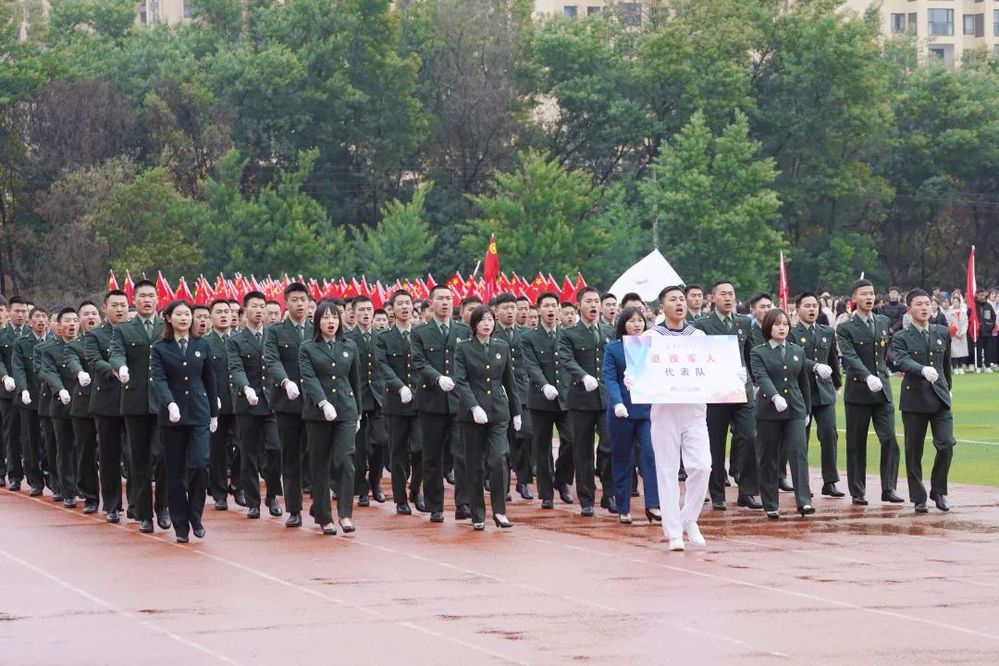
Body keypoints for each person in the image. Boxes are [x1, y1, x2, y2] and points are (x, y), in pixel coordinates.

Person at [635, 287, 711, 550]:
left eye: (681, 299)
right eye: (673, 300)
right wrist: (634, 378)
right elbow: (639, 370)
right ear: (662, 307)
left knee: (702, 466)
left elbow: (711, 368)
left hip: (694, 410)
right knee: (667, 471)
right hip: (665, 411)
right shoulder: (650, 337)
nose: (679, 303)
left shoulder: (698, 336)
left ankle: (689, 518)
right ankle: (674, 532)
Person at [150, 300, 219, 543]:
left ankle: (195, 515)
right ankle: (180, 525)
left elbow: (210, 379)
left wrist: (213, 413)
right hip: (173, 416)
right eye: (179, 314)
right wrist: (169, 403)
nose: (184, 318)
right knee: (175, 472)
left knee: (200, 463)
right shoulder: (160, 347)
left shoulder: (203, 344)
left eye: (187, 314)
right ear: (169, 318)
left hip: (199, 412)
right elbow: (159, 379)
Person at [692, 281, 762, 511]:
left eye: (731, 294)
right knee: (716, 443)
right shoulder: (702, 325)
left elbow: (751, 352)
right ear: (713, 298)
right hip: (715, 391)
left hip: (741, 389)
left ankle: (747, 491)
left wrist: (752, 377)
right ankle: (717, 494)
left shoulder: (744, 322)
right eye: (723, 294)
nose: (728, 298)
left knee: (749, 437)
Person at [110, 279, 170, 532]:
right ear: (134, 300)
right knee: (139, 459)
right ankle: (145, 514)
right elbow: (116, 353)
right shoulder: (124, 329)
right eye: (142, 296)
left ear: (158, 300)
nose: (147, 300)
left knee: (163, 455)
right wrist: (120, 367)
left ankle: (163, 506)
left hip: (164, 401)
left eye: (151, 296)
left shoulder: (166, 327)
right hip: (135, 401)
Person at [453, 305, 521, 530]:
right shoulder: (463, 347)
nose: (487, 324)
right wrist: (473, 406)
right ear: (474, 324)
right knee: (475, 465)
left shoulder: (502, 346)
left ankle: (500, 511)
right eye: (482, 320)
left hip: (498, 411)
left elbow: (509, 381)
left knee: (499, 459)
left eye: (490, 319)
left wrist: (516, 411)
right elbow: (461, 381)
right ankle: (477, 513)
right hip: (472, 414)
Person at [837, 279, 903, 506]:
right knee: (856, 444)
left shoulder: (883, 321)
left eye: (872, 293)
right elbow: (850, 356)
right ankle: (858, 491)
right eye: (864, 293)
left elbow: (886, 352)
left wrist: (900, 365)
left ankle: (889, 487)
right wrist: (867, 376)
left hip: (882, 390)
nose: (869, 297)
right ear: (854, 298)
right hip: (858, 392)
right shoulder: (845, 327)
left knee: (890, 439)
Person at [299, 300, 362, 535]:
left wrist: (358, 412)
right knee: (320, 463)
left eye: (334, 317)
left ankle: (345, 514)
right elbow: (309, 378)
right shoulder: (307, 348)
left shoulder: (349, 346)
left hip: (346, 410)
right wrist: (323, 402)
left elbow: (355, 380)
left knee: (345, 460)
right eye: (325, 317)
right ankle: (324, 516)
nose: (331, 321)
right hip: (318, 413)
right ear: (317, 321)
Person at [411, 285, 471, 522]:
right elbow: (418, 361)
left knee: (462, 454)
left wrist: (457, 381)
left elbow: (468, 361)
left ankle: (463, 503)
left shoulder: (463, 330)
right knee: (432, 456)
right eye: (441, 298)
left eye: (449, 298)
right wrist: (437, 378)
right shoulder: (420, 332)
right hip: (431, 400)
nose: (445, 303)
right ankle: (435, 505)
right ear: (431, 302)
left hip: (458, 401)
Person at [891, 289, 955, 513]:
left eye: (927, 303)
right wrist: (921, 369)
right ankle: (918, 496)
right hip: (915, 399)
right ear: (909, 309)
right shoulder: (901, 337)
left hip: (939, 397)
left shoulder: (941, 332)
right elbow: (901, 360)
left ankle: (939, 490)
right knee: (914, 451)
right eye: (919, 304)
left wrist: (948, 388)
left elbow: (946, 364)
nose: (925, 307)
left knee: (946, 444)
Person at [750, 309, 814, 519]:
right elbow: (761, 377)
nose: (782, 328)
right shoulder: (759, 352)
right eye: (777, 324)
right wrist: (775, 396)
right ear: (768, 327)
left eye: (785, 324)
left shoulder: (797, 350)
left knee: (798, 452)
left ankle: (804, 501)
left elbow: (803, 382)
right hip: (769, 410)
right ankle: (770, 503)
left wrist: (807, 409)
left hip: (795, 408)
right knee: (768, 456)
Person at [227, 290, 283, 519]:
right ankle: (253, 502)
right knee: (248, 454)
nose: (259, 311)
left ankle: (272, 495)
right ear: (245, 310)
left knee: (275, 448)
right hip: (247, 403)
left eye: (262, 307)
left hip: (272, 402)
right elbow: (236, 368)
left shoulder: (273, 335)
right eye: (255, 306)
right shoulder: (235, 340)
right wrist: (245, 387)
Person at [559, 286, 614, 516]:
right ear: (578, 306)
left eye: (596, 301)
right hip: (581, 399)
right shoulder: (569, 333)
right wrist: (583, 376)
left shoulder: (609, 331)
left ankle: (609, 493)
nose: (594, 305)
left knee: (609, 445)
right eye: (589, 301)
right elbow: (566, 359)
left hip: (606, 398)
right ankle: (586, 498)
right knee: (582, 451)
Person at [602, 306, 658, 525]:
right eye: (632, 321)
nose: (637, 325)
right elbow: (610, 378)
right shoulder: (613, 349)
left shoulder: (651, 347)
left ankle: (653, 504)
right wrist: (617, 402)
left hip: (645, 410)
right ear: (623, 324)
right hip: (622, 411)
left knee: (649, 455)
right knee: (622, 459)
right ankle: (623, 507)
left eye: (640, 320)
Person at [263, 282, 312, 528]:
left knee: (316, 454)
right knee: (291, 457)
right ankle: (294, 509)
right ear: (286, 302)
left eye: (303, 299)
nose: (300, 304)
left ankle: (319, 501)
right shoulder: (275, 332)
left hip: (316, 402)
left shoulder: (317, 328)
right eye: (295, 300)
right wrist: (285, 381)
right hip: (287, 402)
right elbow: (272, 360)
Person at [521, 292, 575, 509]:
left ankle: (561, 480)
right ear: (539, 310)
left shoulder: (567, 335)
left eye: (554, 305)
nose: (551, 310)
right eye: (546, 306)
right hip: (540, 400)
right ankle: (546, 493)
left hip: (566, 398)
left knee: (571, 440)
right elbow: (531, 365)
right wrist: (544, 385)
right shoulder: (529, 337)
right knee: (542, 448)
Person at [374, 290, 424, 515]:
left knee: (421, 449)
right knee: (398, 453)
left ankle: (415, 488)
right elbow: (382, 366)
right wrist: (400, 387)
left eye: (408, 303)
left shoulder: (421, 333)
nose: (404, 307)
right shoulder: (383, 337)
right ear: (391, 309)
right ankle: (401, 499)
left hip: (420, 399)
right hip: (395, 402)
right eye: (400, 304)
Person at [792, 292, 844, 498]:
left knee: (829, 433)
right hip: (801, 392)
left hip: (824, 391)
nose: (812, 309)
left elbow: (833, 359)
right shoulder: (792, 333)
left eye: (814, 306)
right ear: (798, 309)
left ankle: (830, 481)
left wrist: (837, 384)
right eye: (807, 306)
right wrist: (815, 366)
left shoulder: (827, 331)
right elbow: (795, 358)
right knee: (800, 439)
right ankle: (802, 483)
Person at [85, 290, 129, 522]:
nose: (120, 309)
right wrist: (113, 370)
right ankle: (112, 504)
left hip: (134, 400)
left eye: (123, 305)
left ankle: (137, 504)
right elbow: (93, 360)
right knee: (109, 455)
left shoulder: (133, 331)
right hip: (107, 401)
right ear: (105, 308)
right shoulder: (95, 335)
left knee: (136, 454)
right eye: (115, 305)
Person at [346, 295, 388, 507]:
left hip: (379, 396)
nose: (365, 313)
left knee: (381, 441)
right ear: (353, 313)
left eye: (369, 309)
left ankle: (375, 481)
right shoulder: (347, 338)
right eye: (361, 309)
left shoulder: (382, 336)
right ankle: (361, 489)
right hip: (356, 397)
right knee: (358, 447)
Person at [492, 293, 533, 501]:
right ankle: (503, 485)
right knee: (503, 443)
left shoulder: (526, 334)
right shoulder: (490, 332)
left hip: (522, 393)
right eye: (505, 308)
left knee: (525, 435)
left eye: (513, 308)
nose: (510, 312)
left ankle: (523, 481)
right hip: (498, 394)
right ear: (496, 310)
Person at [38, 307, 80, 509]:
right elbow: (48, 372)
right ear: (59, 325)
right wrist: (60, 390)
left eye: (75, 320)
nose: (71, 324)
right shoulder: (49, 349)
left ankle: (82, 486)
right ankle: (67, 491)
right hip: (60, 405)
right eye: (67, 321)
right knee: (63, 449)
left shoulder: (86, 345)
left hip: (83, 405)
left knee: (82, 449)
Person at [62, 302, 101, 514]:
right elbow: (71, 361)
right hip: (83, 402)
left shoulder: (110, 340)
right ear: (79, 321)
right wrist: (80, 372)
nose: (91, 317)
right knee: (85, 452)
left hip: (109, 402)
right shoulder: (74, 345)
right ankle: (90, 497)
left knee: (111, 452)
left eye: (94, 313)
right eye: (85, 314)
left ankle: (114, 502)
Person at [11, 307, 49, 496]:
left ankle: (52, 474)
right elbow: (18, 368)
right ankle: (35, 479)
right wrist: (23, 389)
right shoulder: (21, 343)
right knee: (29, 439)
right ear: (30, 321)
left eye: (44, 317)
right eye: (37, 317)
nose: (41, 320)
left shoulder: (53, 341)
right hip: (29, 397)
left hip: (50, 397)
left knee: (51, 439)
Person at [206, 300, 238, 510]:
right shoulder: (205, 343)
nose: (224, 315)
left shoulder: (240, 339)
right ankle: (219, 493)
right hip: (216, 404)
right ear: (211, 317)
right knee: (217, 450)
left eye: (227, 311)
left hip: (241, 402)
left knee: (243, 446)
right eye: (219, 312)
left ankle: (237, 483)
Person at [1, 296, 30, 490]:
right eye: (16, 311)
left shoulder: (31, 334)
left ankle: (34, 475)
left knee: (29, 434)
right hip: (8, 392)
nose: (20, 314)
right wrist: (4, 377)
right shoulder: (2, 335)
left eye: (23, 311)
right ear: (9, 312)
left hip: (29, 391)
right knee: (10, 432)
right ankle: (14, 475)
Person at [947, 293, 969, 373]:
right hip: (954, 334)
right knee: (954, 352)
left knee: (962, 352)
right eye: (954, 302)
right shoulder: (949, 312)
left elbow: (966, 323)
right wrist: (955, 333)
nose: (955, 303)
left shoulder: (963, 312)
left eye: (957, 302)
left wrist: (962, 332)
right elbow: (949, 324)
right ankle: (955, 367)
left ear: (960, 303)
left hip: (962, 334)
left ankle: (960, 366)